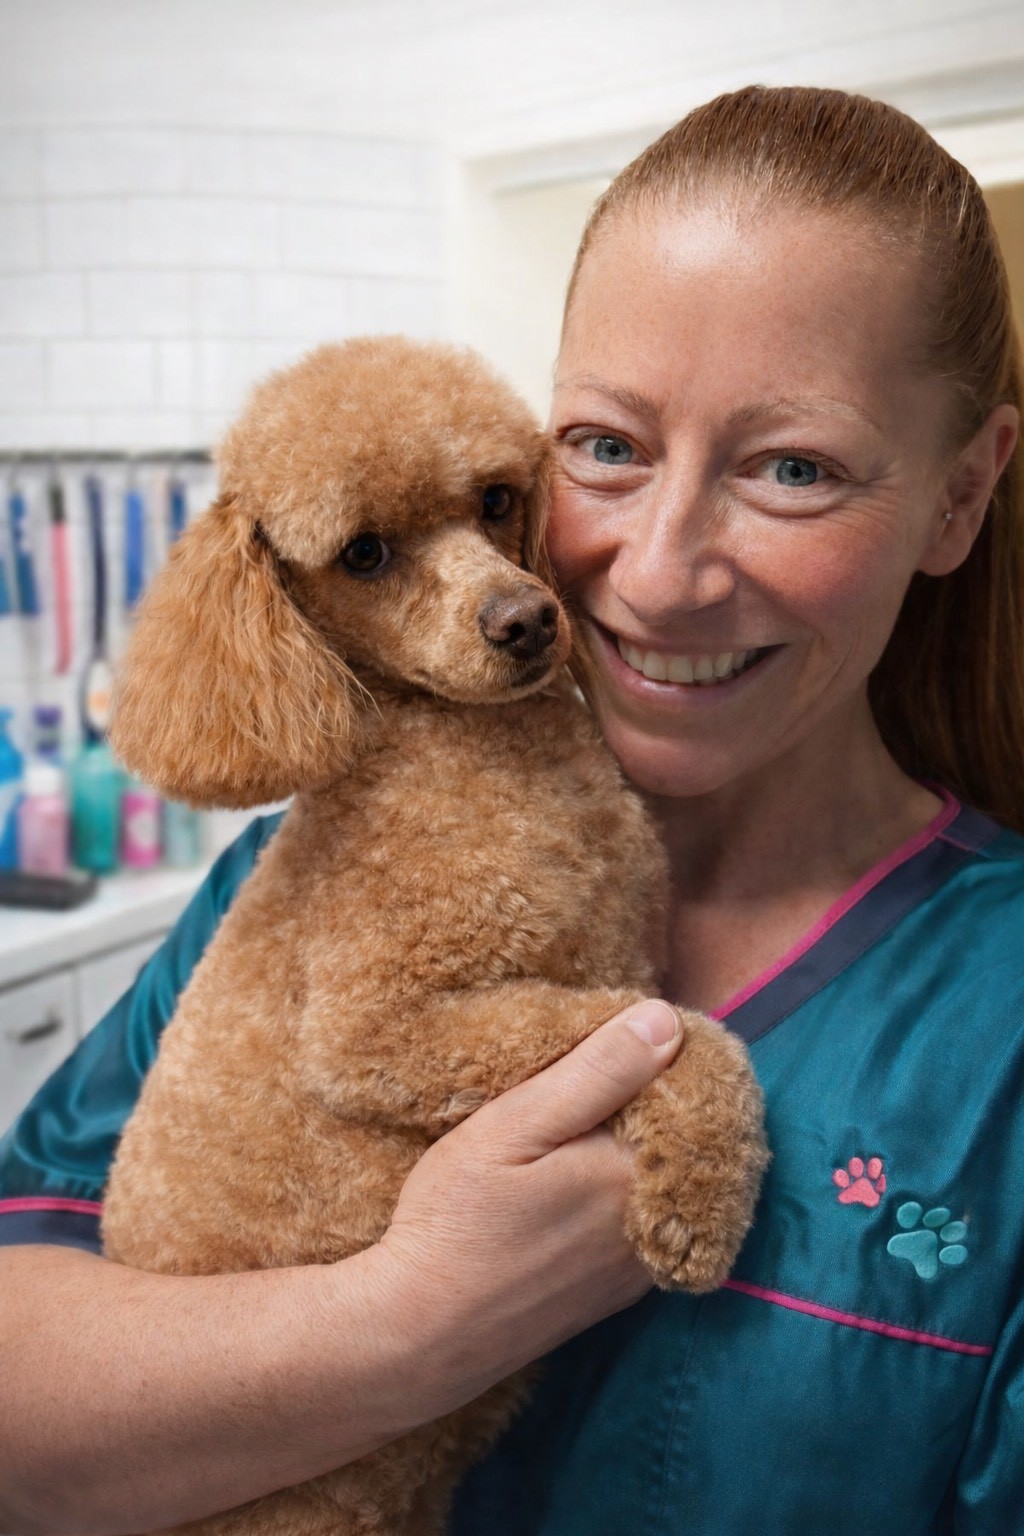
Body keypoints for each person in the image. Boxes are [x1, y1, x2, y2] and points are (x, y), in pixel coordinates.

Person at [1, 83, 1022, 1535]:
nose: (657, 576)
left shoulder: (998, 1022)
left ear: (961, 498)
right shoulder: (307, 865)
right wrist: (401, 1328)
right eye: (604, 446)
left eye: (793, 468)